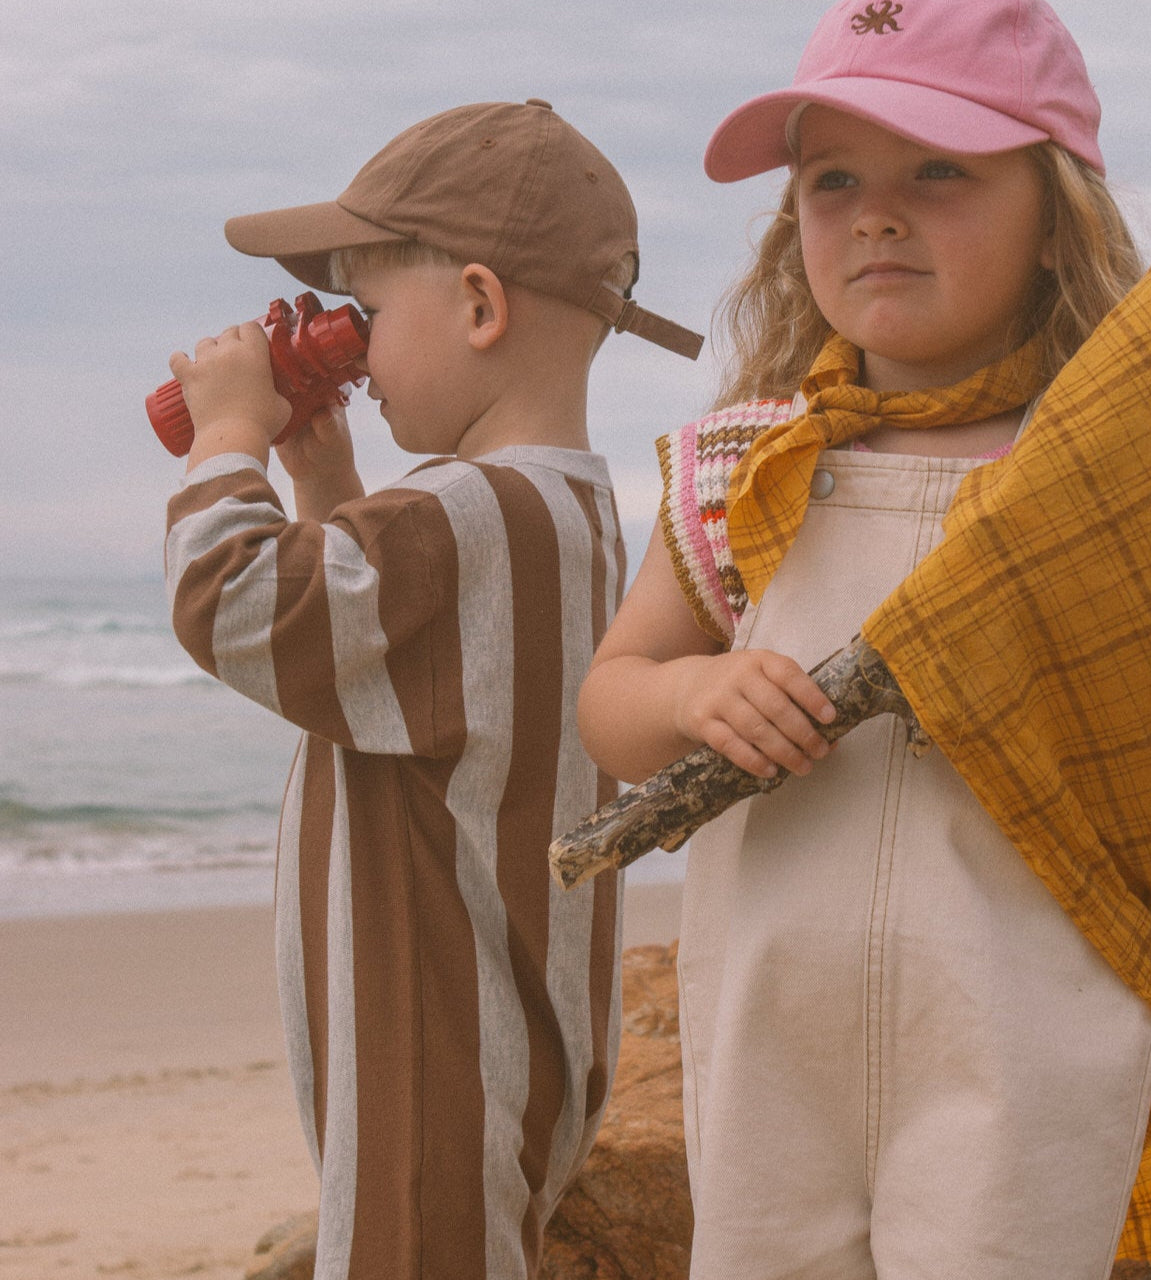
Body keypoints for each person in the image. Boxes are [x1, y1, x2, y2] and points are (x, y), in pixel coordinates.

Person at [577, 2, 1151, 1276]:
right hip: (767, 1038)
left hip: (1026, 1034)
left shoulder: (1112, 469)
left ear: (1056, 212)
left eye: (938, 170)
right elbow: (609, 698)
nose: (874, 213)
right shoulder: (744, 465)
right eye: (831, 178)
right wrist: (692, 692)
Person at [162, 99, 702, 1279]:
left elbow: (235, 605)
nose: (347, 343)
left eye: (365, 310)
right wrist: (329, 478)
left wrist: (228, 436)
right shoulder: (555, 512)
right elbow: (371, 663)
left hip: (431, 1060)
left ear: (475, 306)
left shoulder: (461, 517)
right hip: (496, 1042)